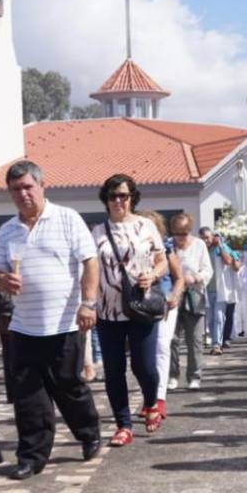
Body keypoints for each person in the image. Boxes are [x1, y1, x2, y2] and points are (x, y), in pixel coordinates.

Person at [0, 160, 102, 482]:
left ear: (41, 186)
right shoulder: (8, 229)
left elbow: (90, 262)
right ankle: (32, 456)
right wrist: (2, 281)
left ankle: (89, 432)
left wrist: (88, 304)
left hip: (64, 324)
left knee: (69, 387)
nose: (23, 194)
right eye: (15, 189)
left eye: (27, 187)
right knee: (28, 395)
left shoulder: (66, 219)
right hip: (24, 325)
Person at [92, 174, 167, 444]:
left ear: (132, 197)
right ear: (106, 199)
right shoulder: (98, 231)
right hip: (108, 310)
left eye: (123, 195)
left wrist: (153, 275)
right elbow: (90, 269)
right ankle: (123, 425)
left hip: (140, 306)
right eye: (113, 196)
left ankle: (150, 402)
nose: (118, 201)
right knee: (113, 369)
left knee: (144, 365)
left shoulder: (146, 225)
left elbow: (162, 261)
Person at [146, 210, 186, 416]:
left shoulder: (167, 249)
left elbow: (179, 278)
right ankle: (149, 397)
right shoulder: (134, 248)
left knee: (162, 347)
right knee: (143, 355)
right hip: (141, 306)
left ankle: (158, 399)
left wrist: (174, 295)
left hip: (164, 305)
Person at [170, 212, 213, 390]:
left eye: (184, 233)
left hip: (194, 295)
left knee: (194, 339)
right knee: (171, 339)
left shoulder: (199, 245)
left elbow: (207, 270)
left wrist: (195, 278)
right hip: (173, 296)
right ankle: (172, 375)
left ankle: (194, 375)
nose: (180, 237)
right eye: (177, 233)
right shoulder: (168, 245)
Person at [201, 227, 238, 355]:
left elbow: (228, 261)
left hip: (220, 289)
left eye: (207, 237)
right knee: (210, 319)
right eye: (203, 238)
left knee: (218, 317)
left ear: (213, 237)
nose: (205, 240)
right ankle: (214, 342)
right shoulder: (201, 251)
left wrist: (220, 246)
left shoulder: (220, 248)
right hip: (206, 290)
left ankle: (217, 345)